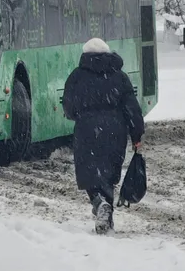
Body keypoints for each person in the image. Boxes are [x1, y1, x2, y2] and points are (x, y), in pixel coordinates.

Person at [61, 37, 144, 234]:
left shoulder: (77, 76)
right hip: (115, 131)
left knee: (90, 174)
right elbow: (132, 108)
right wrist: (137, 135)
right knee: (108, 174)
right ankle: (106, 217)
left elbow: (69, 107)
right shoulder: (119, 76)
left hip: (87, 130)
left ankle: (99, 204)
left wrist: (81, 115)